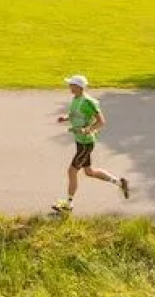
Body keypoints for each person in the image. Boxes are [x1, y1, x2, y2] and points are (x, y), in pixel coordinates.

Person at [52, 74, 127, 214]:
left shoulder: (88, 102)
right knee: (89, 172)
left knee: (72, 171)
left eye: (71, 85)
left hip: (86, 143)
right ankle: (120, 183)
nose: (69, 86)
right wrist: (65, 117)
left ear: (78, 87)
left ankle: (68, 204)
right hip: (80, 141)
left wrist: (88, 130)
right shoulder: (76, 99)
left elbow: (101, 122)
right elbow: (74, 113)